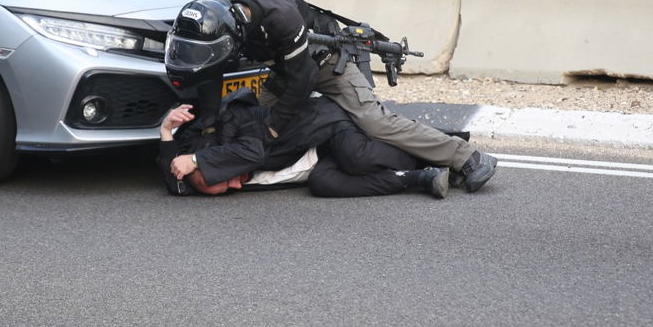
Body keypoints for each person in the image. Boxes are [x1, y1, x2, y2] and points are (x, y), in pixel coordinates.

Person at [164, 0, 498, 193]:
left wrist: (272, 128)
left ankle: (466, 157)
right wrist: (207, 126)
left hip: (321, 64)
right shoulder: (216, 13)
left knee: (372, 122)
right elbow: (212, 74)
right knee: (260, 125)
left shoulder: (280, 18)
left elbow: (302, 80)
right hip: (284, 67)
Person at [158, 90, 449, 199]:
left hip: (323, 125)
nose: (236, 186)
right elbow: (177, 184)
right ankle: (419, 178)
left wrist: (196, 161)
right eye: (226, 191)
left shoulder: (232, 127)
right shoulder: (207, 173)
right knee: (323, 184)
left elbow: (252, 151)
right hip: (315, 156)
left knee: (356, 158)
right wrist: (165, 133)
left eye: (227, 179)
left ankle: (440, 150)